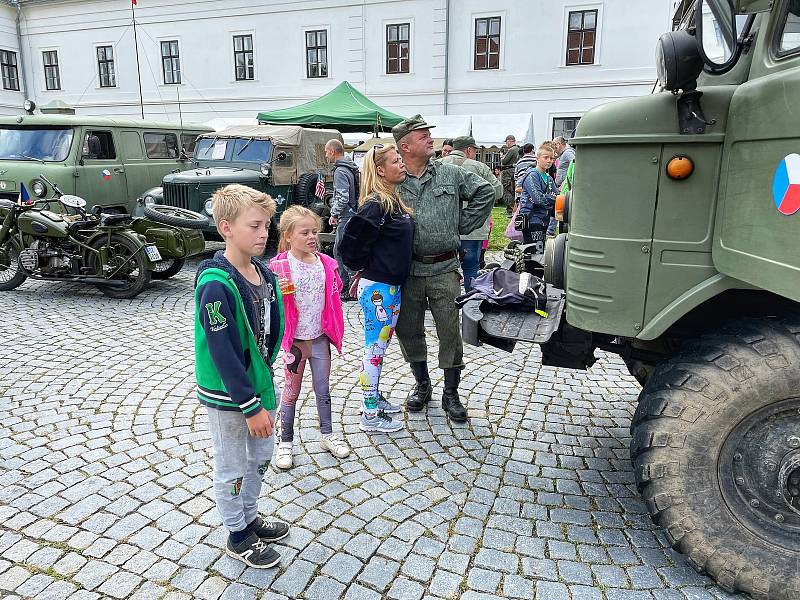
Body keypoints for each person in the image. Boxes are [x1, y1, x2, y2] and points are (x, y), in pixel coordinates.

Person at [194, 184, 289, 569]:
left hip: (260, 383)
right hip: (231, 396)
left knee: (260, 456)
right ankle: (236, 533)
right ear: (226, 227)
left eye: (266, 224)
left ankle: (249, 517)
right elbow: (223, 352)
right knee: (232, 463)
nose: (264, 233)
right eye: (254, 225)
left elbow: (265, 328)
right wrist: (250, 407)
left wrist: (287, 350)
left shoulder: (262, 274)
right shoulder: (216, 284)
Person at [391, 115, 495, 423]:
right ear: (405, 145)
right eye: (422, 135)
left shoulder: (451, 173)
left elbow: (487, 192)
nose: (429, 139)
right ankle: (422, 384)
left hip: (444, 267)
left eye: (428, 134)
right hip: (406, 271)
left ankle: (452, 392)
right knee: (408, 329)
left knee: (450, 331)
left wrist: (461, 225)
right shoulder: (392, 179)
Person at [339, 144, 415, 433]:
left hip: (389, 287)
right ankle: (369, 414)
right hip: (379, 289)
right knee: (374, 350)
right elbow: (350, 245)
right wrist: (364, 268)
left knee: (378, 349)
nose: (402, 164)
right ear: (380, 170)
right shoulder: (375, 204)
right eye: (396, 161)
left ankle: (374, 398)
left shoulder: (392, 201)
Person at [269, 206, 350, 470]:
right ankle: (286, 441)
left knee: (323, 389)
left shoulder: (326, 264)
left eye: (314, 231)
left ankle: (327, 435)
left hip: (320, 340)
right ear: (289, 236)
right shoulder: (279, 266)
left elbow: (334, 295)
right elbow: (272, 305)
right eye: (305, 232)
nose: (312, 236)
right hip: (296, 342)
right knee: (291, 392)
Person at [440, 135, 502, 290]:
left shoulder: (437, 164)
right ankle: (470, 305)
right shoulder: (479, 167)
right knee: (471, 269)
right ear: (468, 150)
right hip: (473, 229)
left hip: (442, 228)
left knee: (442, 270)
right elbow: (498, 191)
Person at [326, 139, 359, 300]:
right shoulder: (350, 167)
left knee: (340, 250)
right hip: (353, 213)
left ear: (332, 151)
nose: (326, 155)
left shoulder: (340, 171)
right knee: (345, 249)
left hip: (346, 216)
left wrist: (334, 213)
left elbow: (342, 196)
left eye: (327, 152)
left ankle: (347, 287)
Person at [518, 143, 557, 250]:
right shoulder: (532, 175)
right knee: (532, 251)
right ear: (537, 158)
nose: (549, 161)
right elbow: (538, 199)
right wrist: (550, 198)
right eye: (546, 157)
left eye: (552, 158)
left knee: (540, 250)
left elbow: (556, 196)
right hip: (532, 219)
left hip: (544, 219)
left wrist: (548, 198)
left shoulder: (548, 177)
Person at [500, 134, 520, 215]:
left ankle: (510, 209)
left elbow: (504, 161)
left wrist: (502, 156)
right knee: (513, 190)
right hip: (514, 171)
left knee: (507, 190)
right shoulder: (518, 149)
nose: (506, 144)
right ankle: (512, 209)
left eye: (506, 142)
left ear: (509, 141)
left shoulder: (512, 150)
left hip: (508, 171)